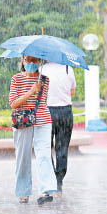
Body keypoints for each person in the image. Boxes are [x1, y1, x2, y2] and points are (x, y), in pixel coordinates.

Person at [9, 55, 57, 205]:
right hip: (23, 121)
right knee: (22, 157)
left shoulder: (44, 80)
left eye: (35, 60)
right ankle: (23, 191)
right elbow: (13, 103)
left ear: (40, 61)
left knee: (43, 155)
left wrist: (37, 89)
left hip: (42, 120)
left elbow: (41, 102)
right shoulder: (16, 79)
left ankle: (46, 189)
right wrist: (31, 91)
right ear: (22, 60)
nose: (31, 63)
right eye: (28, 60)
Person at [41, 62, 76, 193]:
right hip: (65, 112)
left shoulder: (42, 69)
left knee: (45, 146)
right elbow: (72, 91)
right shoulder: (68, 69)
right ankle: (59, 180)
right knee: (62, 148)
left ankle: (50, 178)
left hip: (46, 111)